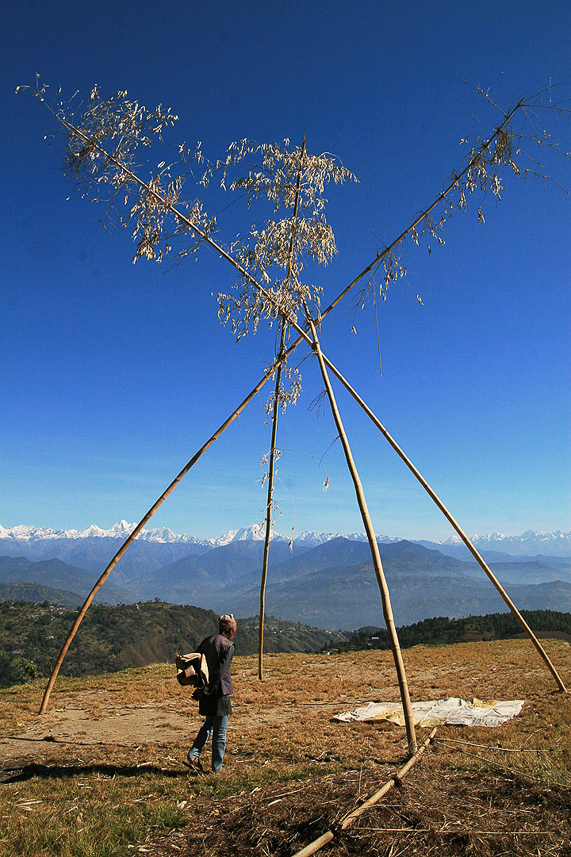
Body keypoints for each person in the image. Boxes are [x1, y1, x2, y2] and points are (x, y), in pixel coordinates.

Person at [185, 613, 237, 774]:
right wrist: (208, 689)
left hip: (206, 691)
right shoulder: (228, 646)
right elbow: (220, 672)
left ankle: (194, 754)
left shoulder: (207, 642)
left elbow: (196, 661)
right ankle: (217, 768)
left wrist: (201, 689)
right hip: (219, 692)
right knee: (220, 732)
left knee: (209, 725)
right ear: (232, 631)